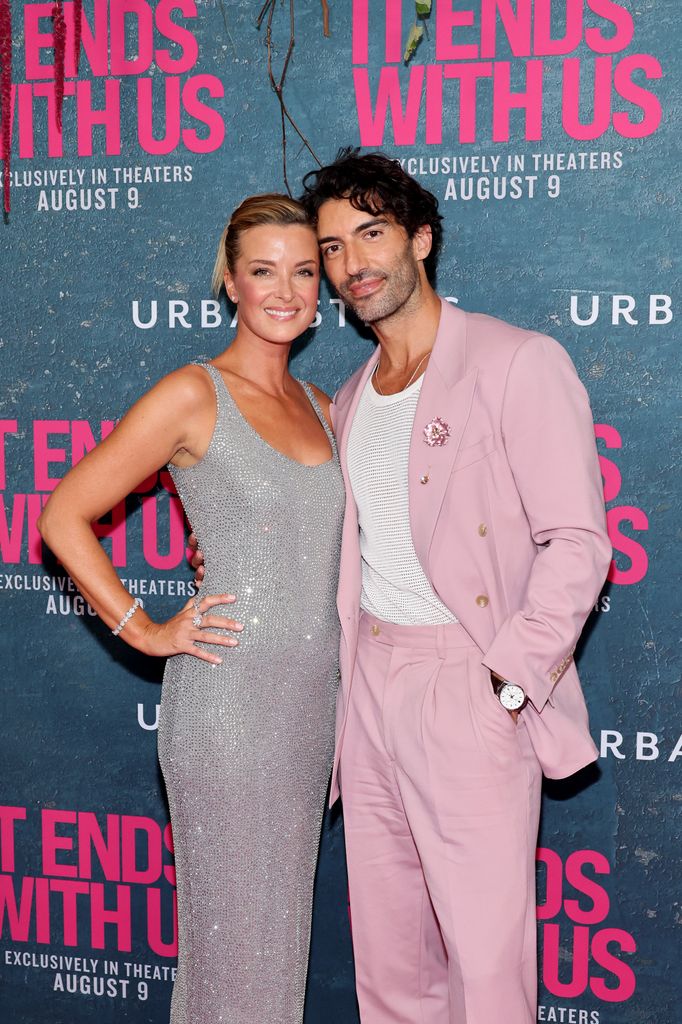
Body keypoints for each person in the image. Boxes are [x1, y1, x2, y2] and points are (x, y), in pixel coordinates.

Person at [296, 150, 612, 1023]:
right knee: (390, 961)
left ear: (421, 239)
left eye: (372, 233)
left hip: (465, 685)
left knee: (485, 962)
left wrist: (509, 679)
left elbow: (580, 541)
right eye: (332, 247)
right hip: (367, 690)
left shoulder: (516, 361)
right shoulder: (352, 395)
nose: (353, 262)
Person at [37, 194, 345, 1024]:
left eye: (304, 271)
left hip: (312, 714)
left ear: (323, 287)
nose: (285, 289)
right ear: (231, 282)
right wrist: (144, 629)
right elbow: (63, 515)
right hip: (229, 713)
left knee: (274, 952)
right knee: (233, 955)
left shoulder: (323, 404)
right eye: (262, 271)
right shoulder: (192, 394)